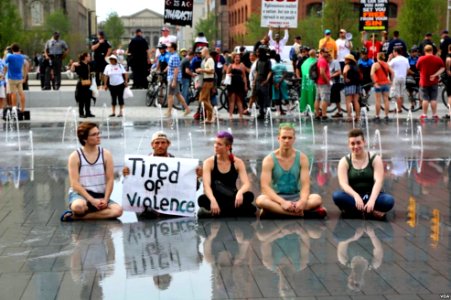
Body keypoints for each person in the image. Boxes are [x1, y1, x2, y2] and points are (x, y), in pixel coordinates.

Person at [256, 123, 327, 218]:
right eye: (284, 137)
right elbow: (265, 187)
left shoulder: (302, 158)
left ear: (294, 139)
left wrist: (302, 201)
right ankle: (297, 214)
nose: (286, 141)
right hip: (276, 198)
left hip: (296, 196)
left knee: (317, 198)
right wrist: (282, 202)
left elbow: (305, 185)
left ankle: (275, 211)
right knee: (260, 200)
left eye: (289, 138)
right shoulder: (269, 160)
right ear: (278, 138)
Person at [61, 122, 123, 221]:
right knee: (78, 207)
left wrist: (106, 200)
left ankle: (75, 217)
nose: (98, 136)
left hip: (100, 195)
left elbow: (110, 179)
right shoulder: (75, 156)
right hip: (80, 195)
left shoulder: (106, 154)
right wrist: (92, 200)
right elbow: (74, 184)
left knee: (118, 211)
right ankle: (89, 211)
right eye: (94, 134)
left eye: (98, 133)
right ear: (84, 139)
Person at [333, 128, 395, 219]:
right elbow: (343, 184)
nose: (356, 146)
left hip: (372, 195)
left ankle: (356, 210)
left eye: (358, 143)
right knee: (337, 196)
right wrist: (356, 196)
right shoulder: (344, 161)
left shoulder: (375, 159)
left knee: (389, 200)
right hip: (352, 197)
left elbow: (378, 181)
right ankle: (369, 211)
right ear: (348, 145)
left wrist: (372, 200)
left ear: (364, 142)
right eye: (352, 144)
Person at [198, 131, 256, 217]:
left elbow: (246, 183)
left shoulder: (238, 162)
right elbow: (206, 186)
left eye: (219, 144)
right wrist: (213, 200)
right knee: (202, 199)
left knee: (249, 196)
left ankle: (217, 212)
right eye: (215, 143)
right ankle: (230, 211)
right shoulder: (209, 162)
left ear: (228, 147)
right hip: (216, 197)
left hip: (231, 196)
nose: (215, 146)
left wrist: (240, 192)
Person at [416, 45, 445, 120]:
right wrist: (435, 75)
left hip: (424, 81)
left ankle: (424, 114)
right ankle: (434, 114)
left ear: (424, 51)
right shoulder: (437, 59)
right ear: (432, 50)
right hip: (434, 81)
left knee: (425, 99)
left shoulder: (421, 59)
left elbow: (417, 67)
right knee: (433, 99)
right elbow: (443, 68)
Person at [165, 42, 191, 117]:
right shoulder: (172, 56)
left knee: (170, 95)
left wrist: (174, 80)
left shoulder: (175, 56)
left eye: (169, 47)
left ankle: (169, 112)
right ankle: (187, 109)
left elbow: (176, 69)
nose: (168, 48)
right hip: (172, 77)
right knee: (178, 94)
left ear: (172, 48)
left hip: (173, 78)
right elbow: (170, 67)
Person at [4, 43, 27, 114]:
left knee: (13, 93)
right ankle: (23, 108)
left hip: (12, 78)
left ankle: (14, 108)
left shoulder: (10, 56)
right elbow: (25, 66)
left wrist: (6, 53)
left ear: (12, 49)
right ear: (19, 49)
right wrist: (25, 77)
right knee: (21, 93)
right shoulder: (22, 57)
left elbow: (5, 62)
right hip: (19, 78)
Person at [71, 52, 95, 118]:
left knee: (88, 98)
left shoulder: (90, 64)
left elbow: (92, 74)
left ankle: (88, 112)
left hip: (88, 83)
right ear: (85, 57)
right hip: (81, 83)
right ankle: (81, 113)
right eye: (89, 56)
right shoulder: (79, 64)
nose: (90, 57)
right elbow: (72, 70)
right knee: (81, 99)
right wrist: (73, 64)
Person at [371, 52, 393, 120]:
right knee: (386, 100)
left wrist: (374, 82)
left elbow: (371, 74)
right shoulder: (386, 64)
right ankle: (386, 116)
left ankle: (377, 116)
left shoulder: (375, 64)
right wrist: (391, 80)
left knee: (378, 100)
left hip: (378, 84)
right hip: (386, 84)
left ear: (377, 57)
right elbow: (392, 72)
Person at [196, 47, 215, 123]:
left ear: (206, 52)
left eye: (202, 52)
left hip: (208, 81)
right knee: (207, 99)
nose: (201, 53)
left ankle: (213, 112)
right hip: (204, 80)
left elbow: (212, 71)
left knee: (202, 99)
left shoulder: (210, 60)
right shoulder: (205, 60)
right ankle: (209, 118)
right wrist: (199, 71)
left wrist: (202, 70)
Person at [388, 47, 410, 113]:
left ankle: (399, 109)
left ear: (396, 52)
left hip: (396, 77)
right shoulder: (406, 59)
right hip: (403, 77)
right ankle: (400, 107)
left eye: (393, 52)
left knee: (397, 94)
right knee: (401, 94)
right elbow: (408, 69)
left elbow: (387, 66)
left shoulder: (394, 60)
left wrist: (389, 58)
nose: (393, 53)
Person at [226, 53, 247, 118]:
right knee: (232, 100)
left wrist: (245, 85)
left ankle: (241, 115)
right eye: (236, 57)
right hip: (232, 84)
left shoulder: (242, 65)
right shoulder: (231, 65)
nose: (237, 59)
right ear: (233, 58)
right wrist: (229, 75)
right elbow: (227, 74)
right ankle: (230, 115)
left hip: (240, 84)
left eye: (238, 57)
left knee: (239, 100)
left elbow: (244, 76)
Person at [254, 46, 272, 119]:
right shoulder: (258, 61)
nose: (257, 53)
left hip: (264, 81)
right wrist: (254, 81)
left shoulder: (267, 61)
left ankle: (267, 112)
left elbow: (270, 71)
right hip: (258, 80)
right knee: (259, 97)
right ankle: (261, 112)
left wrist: (266, 80)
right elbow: (257, 71)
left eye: (258, 52)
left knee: (266, 97)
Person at [315, 48, 331, 120]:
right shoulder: (322, 61)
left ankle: (317, 114)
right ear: (321, 52)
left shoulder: (319, 60)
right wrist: (328, 81)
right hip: (323, 83)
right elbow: (322, 72)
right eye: (326, 52)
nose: (327, 53)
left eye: (328, 52)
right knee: (324, 99)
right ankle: (324, 114)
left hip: (319, 82)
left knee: (317, 98)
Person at [343, 54, 361, 122]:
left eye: (346, 59)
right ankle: (357, 116)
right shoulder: (356, 66)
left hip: (350, 84)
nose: (344, 60)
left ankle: (349, 117)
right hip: (357, 84)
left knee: (348, 101)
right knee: (356, 101)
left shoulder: (347, 66)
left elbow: (344, 72)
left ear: (349, 60)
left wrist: (345, 78)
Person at [329, 51, 343, 118]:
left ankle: (339, 111)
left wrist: (331, 76)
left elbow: (339, 72)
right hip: (329, 82)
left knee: (335, 98)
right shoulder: (326, 62)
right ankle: (339, 111)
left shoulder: (335, 62)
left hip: (335, 82)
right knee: (332, 98)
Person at [444, 44, 451, 119]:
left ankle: (450, 113)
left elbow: (448, 60)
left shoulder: (448, 56)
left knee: (450, 95)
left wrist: (448, 69)